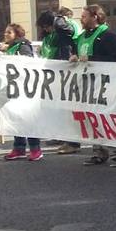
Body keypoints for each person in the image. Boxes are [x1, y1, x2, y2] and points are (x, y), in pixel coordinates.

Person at [72, 5, 116, 167]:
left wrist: (91, 57)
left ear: (95, 17)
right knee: (93, 119)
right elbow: (80, 56)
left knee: (108, 118)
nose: (81, 19)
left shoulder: (108, 35)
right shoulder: (83, 36)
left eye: (84, 16)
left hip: (106, 85)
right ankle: (98, 151)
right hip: (88, 85)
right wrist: (74, 58)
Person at [37, 9, 81, 154]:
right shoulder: (55, 33)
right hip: (60, 71)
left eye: (46, 26)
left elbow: (69, 34)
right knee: (63, 109)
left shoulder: (64, 26)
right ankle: (67, 139)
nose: (46, 30)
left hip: (68, 71)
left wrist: (57, 22)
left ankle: (73, 143)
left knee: (69, 109)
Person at [0, 24, 43, 162]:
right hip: (14, 90)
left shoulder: (23, 46)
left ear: (17, 35)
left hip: (25, 90)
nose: (6, 34)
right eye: (5, 32)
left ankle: (35, 149)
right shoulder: (10, 48)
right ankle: (19, 148)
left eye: (9, 32)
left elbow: (27, 65)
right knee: (16, 119)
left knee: (28, 120)